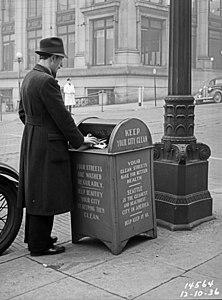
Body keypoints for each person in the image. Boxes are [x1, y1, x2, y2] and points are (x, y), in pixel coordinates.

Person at [17, 37, 98, 256]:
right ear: (52, 58)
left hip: (32, 139)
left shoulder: (28, 78)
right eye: (60, 60)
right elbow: (62, 117)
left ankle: (37, 237)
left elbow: (22, 113)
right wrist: (81, 140)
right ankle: (40, 246)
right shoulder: (47, 81)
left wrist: (37, 128)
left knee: (36, 190)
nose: (61, 65)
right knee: (47, 192)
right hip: (47, 145)